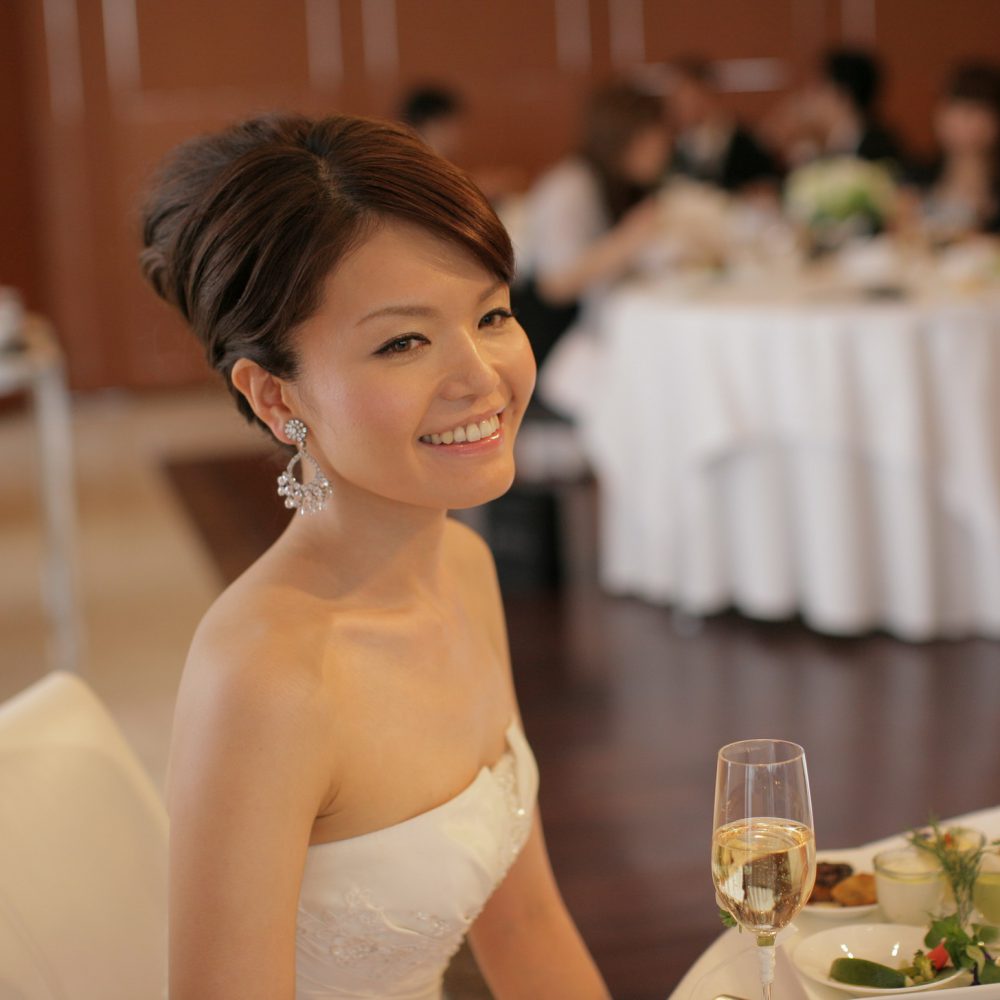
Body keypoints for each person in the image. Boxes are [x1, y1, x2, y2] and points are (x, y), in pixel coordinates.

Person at [140, 113, 610, 1000]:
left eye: (492, 314)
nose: (481, 377)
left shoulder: (464, 568)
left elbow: (525, 926)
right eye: (404, 341)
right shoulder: (266, 675)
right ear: (276, 397)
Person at [516, 80, 670, 413]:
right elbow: (554, 285)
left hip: (587, 329)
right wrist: (629, 239)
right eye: (656, 136)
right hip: (550, 342)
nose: (665, 147)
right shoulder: (569, 187)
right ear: (624, 138)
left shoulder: (617, 184)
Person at [911, 62, 1000, 237]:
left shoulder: (992, 192)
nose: (958, 121)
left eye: (972, 111)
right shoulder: (916, 175)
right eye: (952, 107)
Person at [667, 56, 781, 193]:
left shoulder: (744, 142)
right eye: (675, 98)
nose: (678, 106)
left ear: (706, 94)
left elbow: (766, 184)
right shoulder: (673, 144)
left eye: (686, 97)